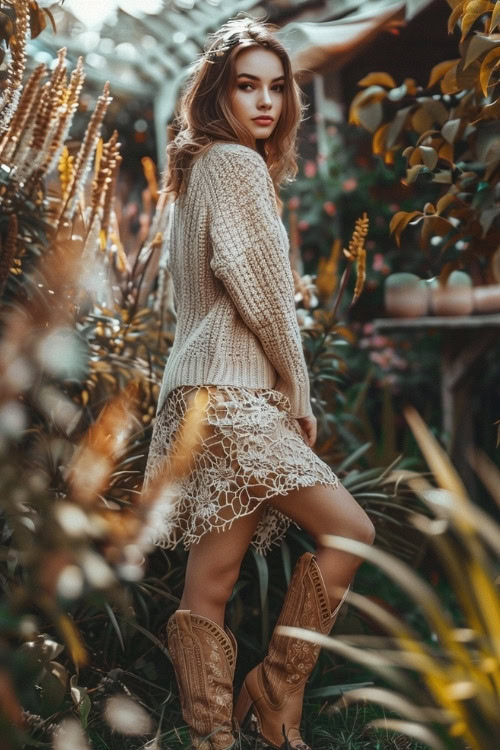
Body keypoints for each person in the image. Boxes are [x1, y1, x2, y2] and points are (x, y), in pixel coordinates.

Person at [143, 14, 376, 750]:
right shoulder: (235, 166)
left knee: (209, 583)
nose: (266, 102)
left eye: (278, 88)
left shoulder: (198, 168)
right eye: (248, 86)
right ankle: (274, 697)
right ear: (218, 92)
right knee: (351, 532)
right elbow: (262, 294)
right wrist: (298, 391)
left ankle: (214, 737)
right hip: (236, 396)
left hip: (194, 395)